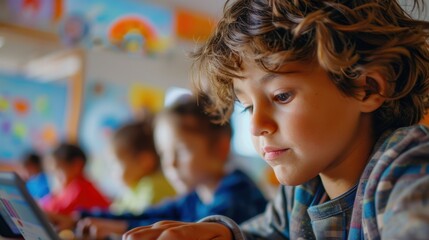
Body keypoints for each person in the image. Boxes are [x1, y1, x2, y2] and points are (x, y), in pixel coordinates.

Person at [123, 0, 429, 239]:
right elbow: (266, 233)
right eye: (247, 107)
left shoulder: (406, 166)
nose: (257, 126)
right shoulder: (302, 190)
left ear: (366, 88)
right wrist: (223, 233)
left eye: (282, 96)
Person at [64, 95, 267, 239]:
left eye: (180, 151)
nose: (170, 163)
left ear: (220, 148)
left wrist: (119, 229)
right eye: (164, 154)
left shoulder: (237, 193)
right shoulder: (195, 196)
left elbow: (190, 232)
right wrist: (78, 219)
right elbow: (149, 216)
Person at [108, 117, 176, 215]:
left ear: (145, 161)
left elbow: (142, 219)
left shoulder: (154, 187)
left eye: (116, 164)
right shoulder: (133, 191)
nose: (112, 172)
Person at [40, 142, 110, 215]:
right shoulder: (68, 189)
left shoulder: (80, 188)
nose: (55, 178)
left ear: (77, 165)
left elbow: (57, 212)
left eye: (58, 171)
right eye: (52, 173)